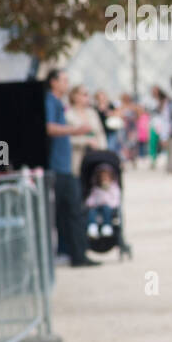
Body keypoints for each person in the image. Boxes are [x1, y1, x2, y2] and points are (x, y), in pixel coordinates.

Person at [44, 69, 100, 267]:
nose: (66, 83)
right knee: (71, 212)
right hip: (59, 167)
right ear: (53, 82)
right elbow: (49, 127)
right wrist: (76, 131)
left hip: (66, 166)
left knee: (68, 212)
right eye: (64, 80)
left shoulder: (59, 104)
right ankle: (76, 255)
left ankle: (73, 253)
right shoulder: (50, 101)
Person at [66, 84, 106, 176]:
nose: (87, 97)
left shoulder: (92, 113)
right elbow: (67, 138)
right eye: (84, 94)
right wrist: (86, 141)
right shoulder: (68, 115)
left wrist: (102, 150)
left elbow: (100, 133)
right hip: (77, 159)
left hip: (95, 157)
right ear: (75, 96)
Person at [84, 163, 121, 238]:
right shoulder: (96, 188)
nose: (104, 179)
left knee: (106, 209)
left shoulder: (113, 188)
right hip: (97, 206)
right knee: (91, 211)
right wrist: (90, 203)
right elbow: (91, 199)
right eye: (102, 177)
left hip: (108, 207)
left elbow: (116, 200)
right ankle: (92, 226)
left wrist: (108, 203)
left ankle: (107, 225)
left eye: (106, 177)